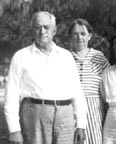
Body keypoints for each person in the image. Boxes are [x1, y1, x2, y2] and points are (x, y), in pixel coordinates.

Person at [4, 11, 87, 144]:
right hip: (34, 115)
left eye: (46, 27)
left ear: (54, 31)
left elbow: (77, 92)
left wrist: (81, 125)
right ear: (32, 31)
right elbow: (11, 96)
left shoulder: (66, 56)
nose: (42, 31)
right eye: (37, 28)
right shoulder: (21, 56)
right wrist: (14, 130)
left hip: (65, 117)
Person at [68, 18, 110, 144]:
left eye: (83, 34)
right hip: (71, 110)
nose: (79, 37)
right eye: (75, 34)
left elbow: (110, 84)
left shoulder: (99, 57)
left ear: (89, 36)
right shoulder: (65, 57)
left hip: (94, 111)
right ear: (70, 37)